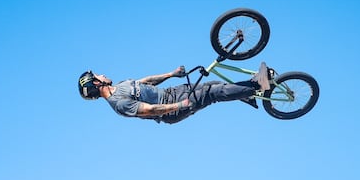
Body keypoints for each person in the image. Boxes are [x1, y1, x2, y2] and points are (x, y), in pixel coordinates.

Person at [78, 63, 273, 124]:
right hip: (171, 109)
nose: (102, 74)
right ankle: (258, 87)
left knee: (213, 84)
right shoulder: (118, 104)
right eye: (97, 75)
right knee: (212, 93)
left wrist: (171, 74)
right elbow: (151, 110)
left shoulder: (120, 86)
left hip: (171, 93)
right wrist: (179, 106)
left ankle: (246, 93)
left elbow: (146, 82)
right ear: (96, 82)